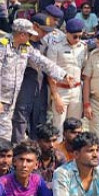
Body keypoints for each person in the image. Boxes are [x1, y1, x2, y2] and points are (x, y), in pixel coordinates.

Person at [0, 19, 65, 143]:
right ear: (22, 34)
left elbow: (42, 61)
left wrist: (63, 75)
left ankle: (4, 161)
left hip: (11, 100)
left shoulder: (25, 47)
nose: (30, 37)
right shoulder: (3, 44)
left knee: (5, 136)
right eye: (29, 34)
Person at [12, 11, 62, 143]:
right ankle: (18, 152)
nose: (45, 34)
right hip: (24, 89)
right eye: (43, 30)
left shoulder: (45, 46)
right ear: (35, 26)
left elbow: (49, 70)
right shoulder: (20, 44)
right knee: (20, 122)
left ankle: (37, 156)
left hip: (41, 90)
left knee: (40, 122)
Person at [46, 18, 87, 133]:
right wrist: (56, 96)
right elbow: (50, 73)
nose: (78, 39)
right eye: (75, 36)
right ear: (67, 33)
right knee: (58, 127)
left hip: (76, 90)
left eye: (80, 36)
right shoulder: (56, 47)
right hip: (60, 90)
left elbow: (83, 67)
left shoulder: (83, 47)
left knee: (75, 128)